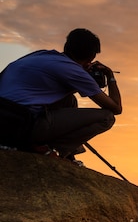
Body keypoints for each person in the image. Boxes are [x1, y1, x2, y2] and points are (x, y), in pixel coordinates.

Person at [0, 28, 122, 163]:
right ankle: (51, 150)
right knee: (106, 118)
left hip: (5, 120)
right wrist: (110, 76)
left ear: (67, 45)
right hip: (22, 125)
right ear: (91, 57)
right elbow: (116, 108)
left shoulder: (40, 55)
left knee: (70, 100)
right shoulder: (74, 71)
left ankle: (67, 153)